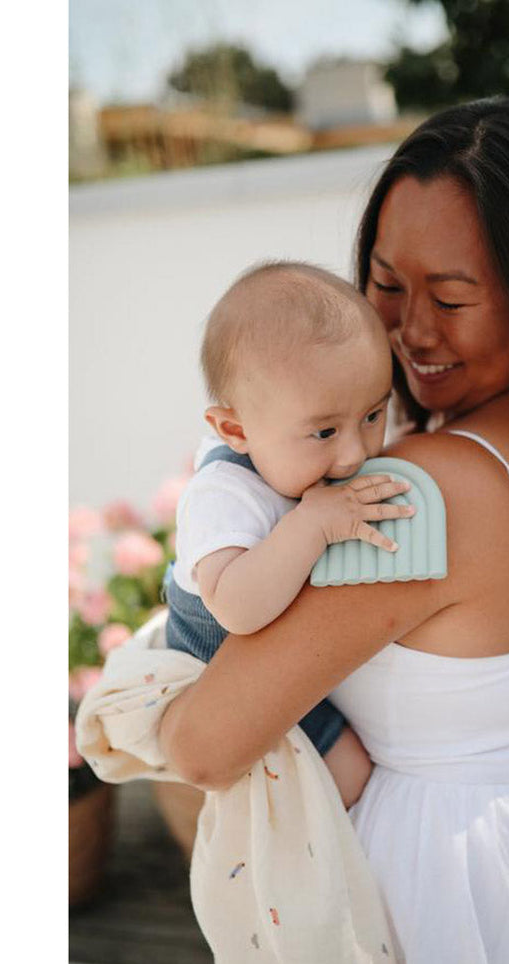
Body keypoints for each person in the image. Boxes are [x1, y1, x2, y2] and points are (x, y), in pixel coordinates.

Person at [158, 98, 509, 964]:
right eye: (385, 283)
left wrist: (151, 688)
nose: (408, 331)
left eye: (451, 298)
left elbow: (206, 746)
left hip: (426, 901)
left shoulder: (419, 495)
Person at [165, 260, 416, 808]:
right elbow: (236, 607)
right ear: (236, 431)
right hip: (221, 677)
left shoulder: (310, 446)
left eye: (374, 414)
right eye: (324, 431)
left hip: (286, 664)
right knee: (352, 776)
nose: (355, 453)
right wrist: (312, 524)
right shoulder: (224, 497)